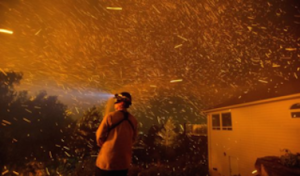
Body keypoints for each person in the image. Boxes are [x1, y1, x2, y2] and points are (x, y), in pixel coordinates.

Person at [95, 92, 138, 176]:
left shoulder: (110, 116)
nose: (115, 103)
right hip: (124, 163)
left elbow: (99, 136)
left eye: (117, 101)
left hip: (107, 162)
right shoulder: (133, 120)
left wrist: (106, 145)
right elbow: (133, 139)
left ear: (121, 103)